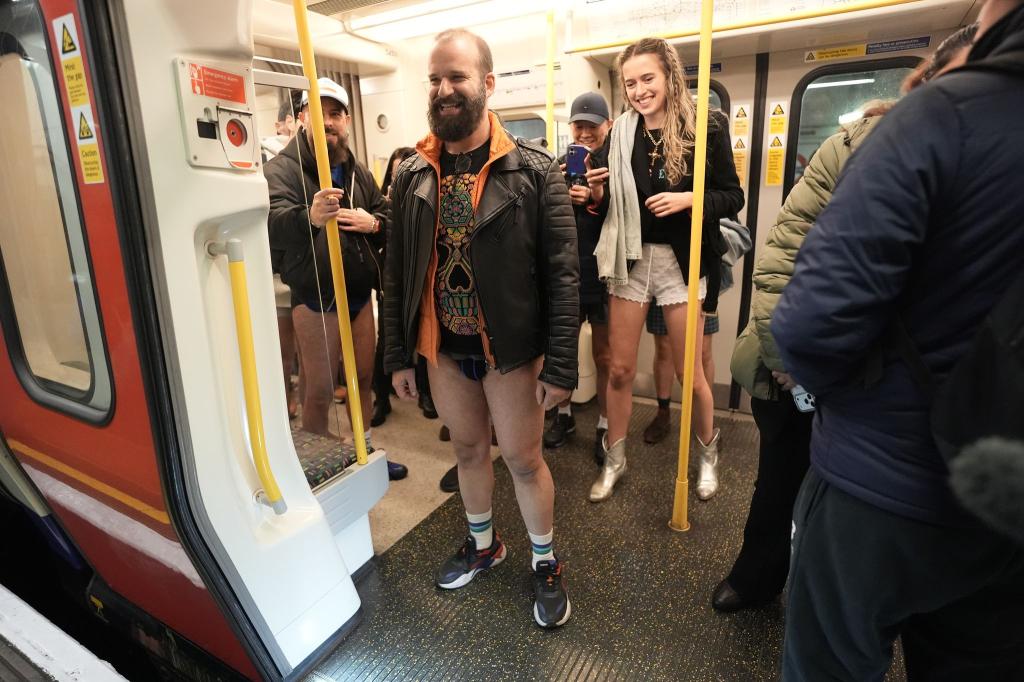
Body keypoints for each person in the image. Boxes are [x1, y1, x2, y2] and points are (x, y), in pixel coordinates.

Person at [771, 4, 1024, 678]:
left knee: (833, 658)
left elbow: (810, 323)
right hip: (1006, 506)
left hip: (883, 481)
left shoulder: (944, 117)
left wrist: (829, 394)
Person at [715, 25, 978, 617]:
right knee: (779, 480)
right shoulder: (855, 148)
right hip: (805, 359)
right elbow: (781, 257)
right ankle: (759, 577)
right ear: (924, 86)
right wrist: (791, 367)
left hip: (897, 382)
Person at [383, 29, 578, 628]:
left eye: (457, 78)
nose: (444, 90)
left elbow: (564, 274)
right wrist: (396, 356)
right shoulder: (413, 176)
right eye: (435, 79)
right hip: (444, 349)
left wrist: (564, 365)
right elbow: (397, 272)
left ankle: (545, 562)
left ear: (487, 85)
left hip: (510, 351)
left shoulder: (535, 172)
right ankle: (484, 544)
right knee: (469, 450)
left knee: (522, 460)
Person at [590, 37, 743, 502]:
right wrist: (595, 194)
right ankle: (614, 459)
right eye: (631, 82)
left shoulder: (706, 126)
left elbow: (733, 196)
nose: (639, 90)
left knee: (688, 372)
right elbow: (608, 202)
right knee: (618, 369)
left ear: (670, 76)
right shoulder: (619, 134)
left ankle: (707, 456)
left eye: (647, 78)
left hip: (682, 260)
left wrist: (690, 198)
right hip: (631, 258)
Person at [266, 77, 407, 481]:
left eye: (336, 114)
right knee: (321, 390)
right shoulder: (282, 169)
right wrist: (307, 217)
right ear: (302, 118)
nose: (328, 122)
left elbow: (386, 213)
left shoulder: (356, 169)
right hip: (315, 295)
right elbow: (272, 223)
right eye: (319, 113)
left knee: (363, 379)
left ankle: (363, 452)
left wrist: (373, 222)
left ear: (346, 120)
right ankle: (316, 468)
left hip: (359, 292)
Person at [542, 92, 612, 465]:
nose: (584, 132)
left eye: (592, 125)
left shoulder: (616, 165)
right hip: (566, 275)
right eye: (578, 125)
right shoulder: (555, 167)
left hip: (604, 276)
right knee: (563, 353)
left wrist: (597, 197)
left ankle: (604, 424)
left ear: (607, 126)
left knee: (606, 357)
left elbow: (625, 220)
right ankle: (564, 417)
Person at [370, 146, 417, 428]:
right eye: (395, 172)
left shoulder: (422, 198)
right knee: (386, 338)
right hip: (389, 279)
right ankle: (382, 397)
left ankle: (424, 395)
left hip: (416, 280)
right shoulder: (382, 202)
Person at [641, 300, 717, 445]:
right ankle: (663, 412)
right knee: (664, 346)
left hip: (703, 282)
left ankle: (705, 419)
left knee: (702, 350)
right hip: (663, 280)